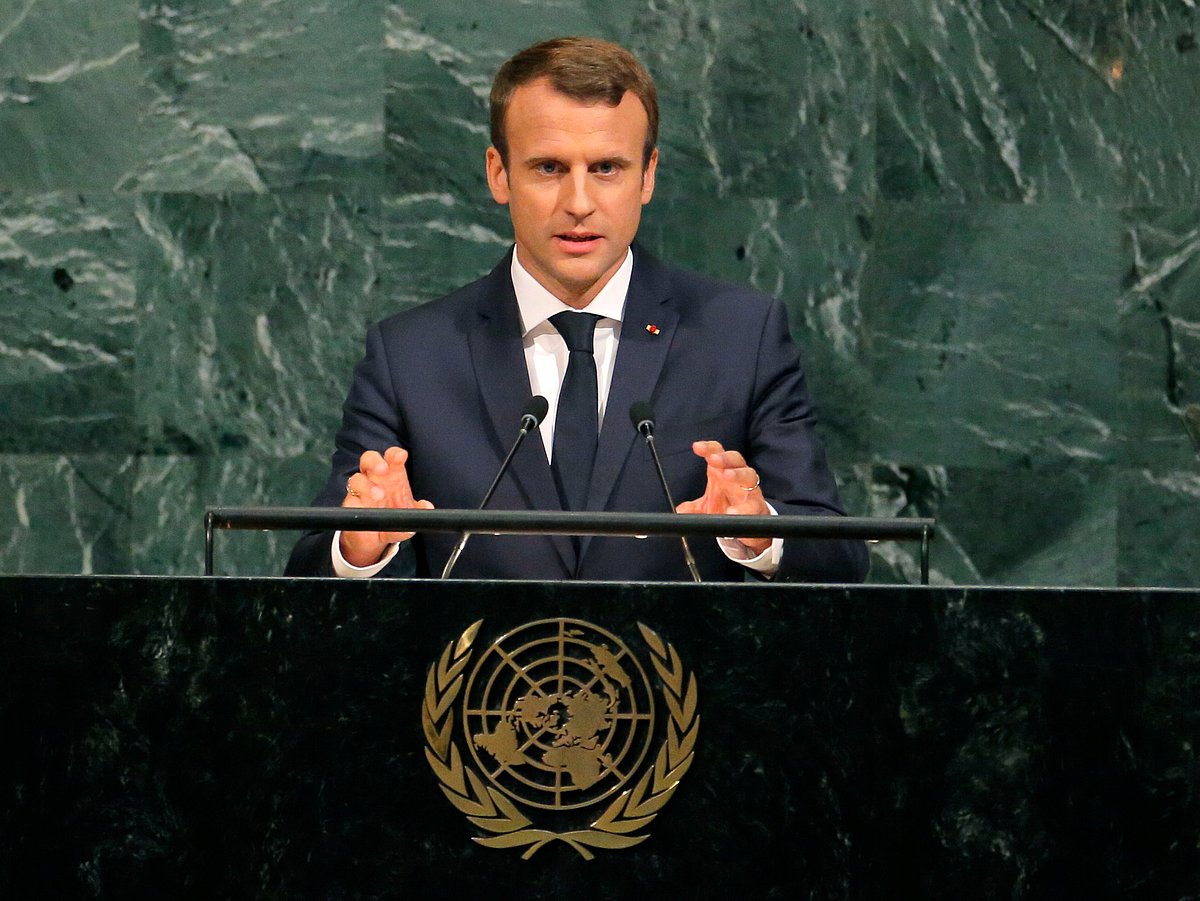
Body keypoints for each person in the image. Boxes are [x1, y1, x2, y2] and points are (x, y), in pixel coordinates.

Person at [285, 36, 868, 583]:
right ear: (499, 173)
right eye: (549, 168)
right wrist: (361, 544)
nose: (580, 203)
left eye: (607, 169)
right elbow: (307, 566)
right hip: (483, 686)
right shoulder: (411, 354)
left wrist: (759, 532)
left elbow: (838, 557)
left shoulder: (741, 336)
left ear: (649, 177)